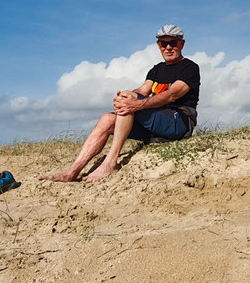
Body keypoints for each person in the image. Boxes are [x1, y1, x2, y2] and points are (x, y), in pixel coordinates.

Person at [39, 24, 200, 183]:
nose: (168, 47)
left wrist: (134, 103)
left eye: (173, 43)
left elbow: (171, 95)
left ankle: (110, 163)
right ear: (158, 46)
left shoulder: (190, 68)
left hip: (179, 121)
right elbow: (143, 90)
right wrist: (127, 95)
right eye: (164, 43)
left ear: (182, 44)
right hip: (155, 123)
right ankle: (72, 172)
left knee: (130, 104)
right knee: (108, 117)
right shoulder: (156, 69)